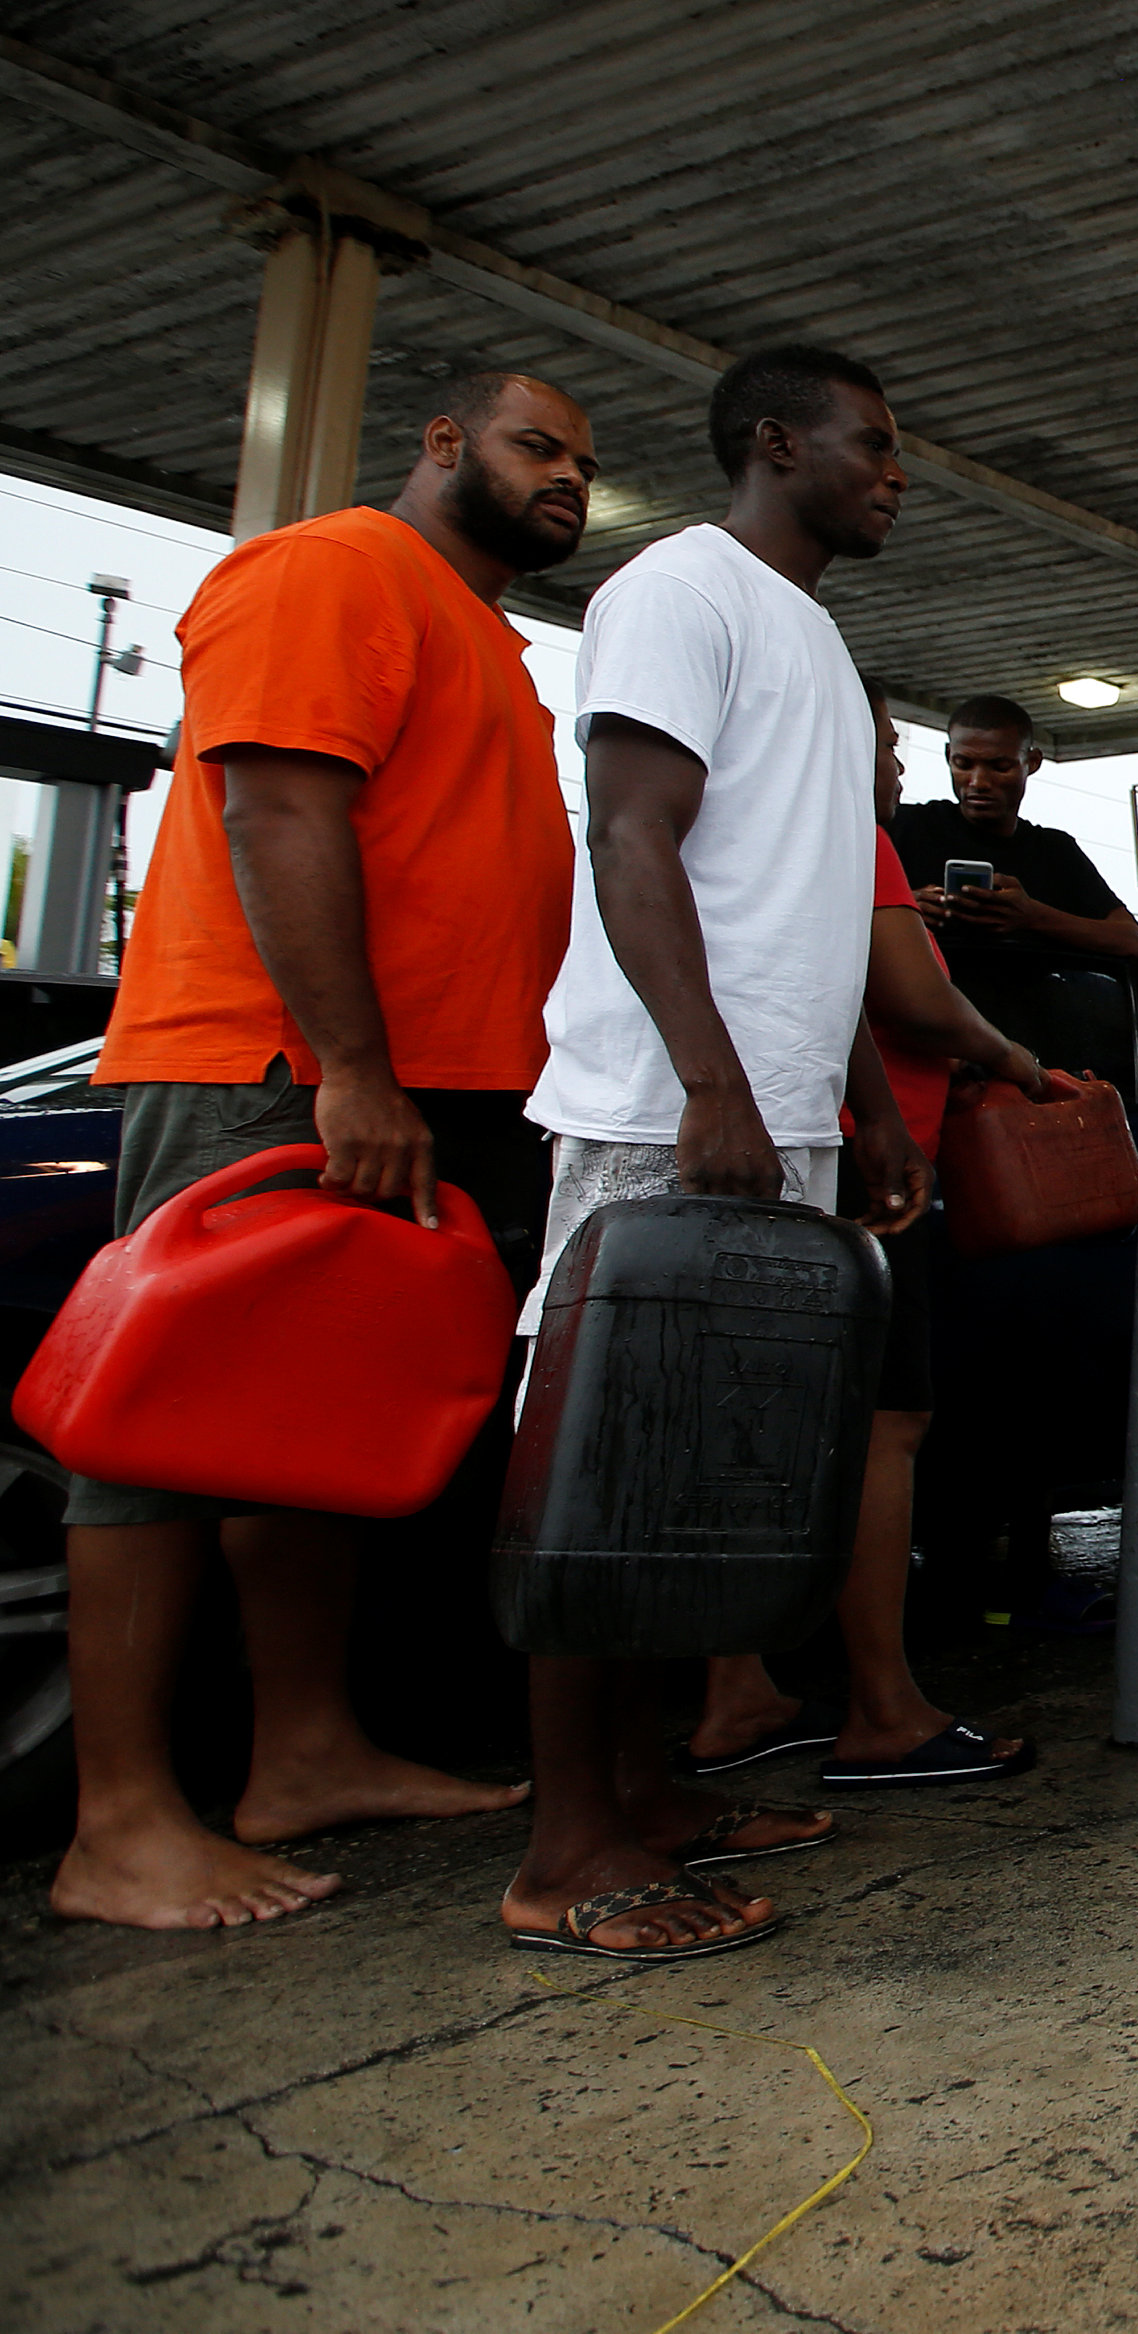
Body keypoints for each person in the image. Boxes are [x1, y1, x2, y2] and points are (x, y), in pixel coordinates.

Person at [50, 374, 594, 1933]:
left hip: (420, 1087)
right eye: (534, 447)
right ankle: (121, 1824)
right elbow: (279, 804)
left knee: (312, 1432)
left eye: (581, 466)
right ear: (441, 443)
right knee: (159, 1433)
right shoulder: (329, 568)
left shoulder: (474, 628)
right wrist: (352, 1067)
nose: (564, 480)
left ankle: (301, 1751)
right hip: (277, 1071)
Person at [505, 345, 931, 1962]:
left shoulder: (810, 633)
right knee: (602, 1469)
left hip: (769, 1115)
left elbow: (806, 907)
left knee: (691, 1480)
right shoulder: (678, 590)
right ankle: (565, 1845)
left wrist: (863, 1101)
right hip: (660, 1107)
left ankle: (648, 1791)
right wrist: (709, 1083)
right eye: (869, 444)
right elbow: (631, 838)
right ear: (774, 443)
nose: (894, 471)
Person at [689, 673, 1047, 1788]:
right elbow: (909, 998)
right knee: (884, 1427)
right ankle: (883, 1709)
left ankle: (734, 1690)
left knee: (753, 1422)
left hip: (772, 1141)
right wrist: (1022, 1065)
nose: (899, 768)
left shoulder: (735, 829)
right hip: (856, 1160)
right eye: (886, 745)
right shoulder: (853, 835)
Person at [893, 695, 1138, 967]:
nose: (978, 782)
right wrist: (900, 911)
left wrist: (1032, 916)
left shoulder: (1054, 852)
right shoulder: (902, 828)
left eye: (1000, 767)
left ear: (1032, 762)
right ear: (948, 756)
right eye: (963, 764)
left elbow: (1136, 944)